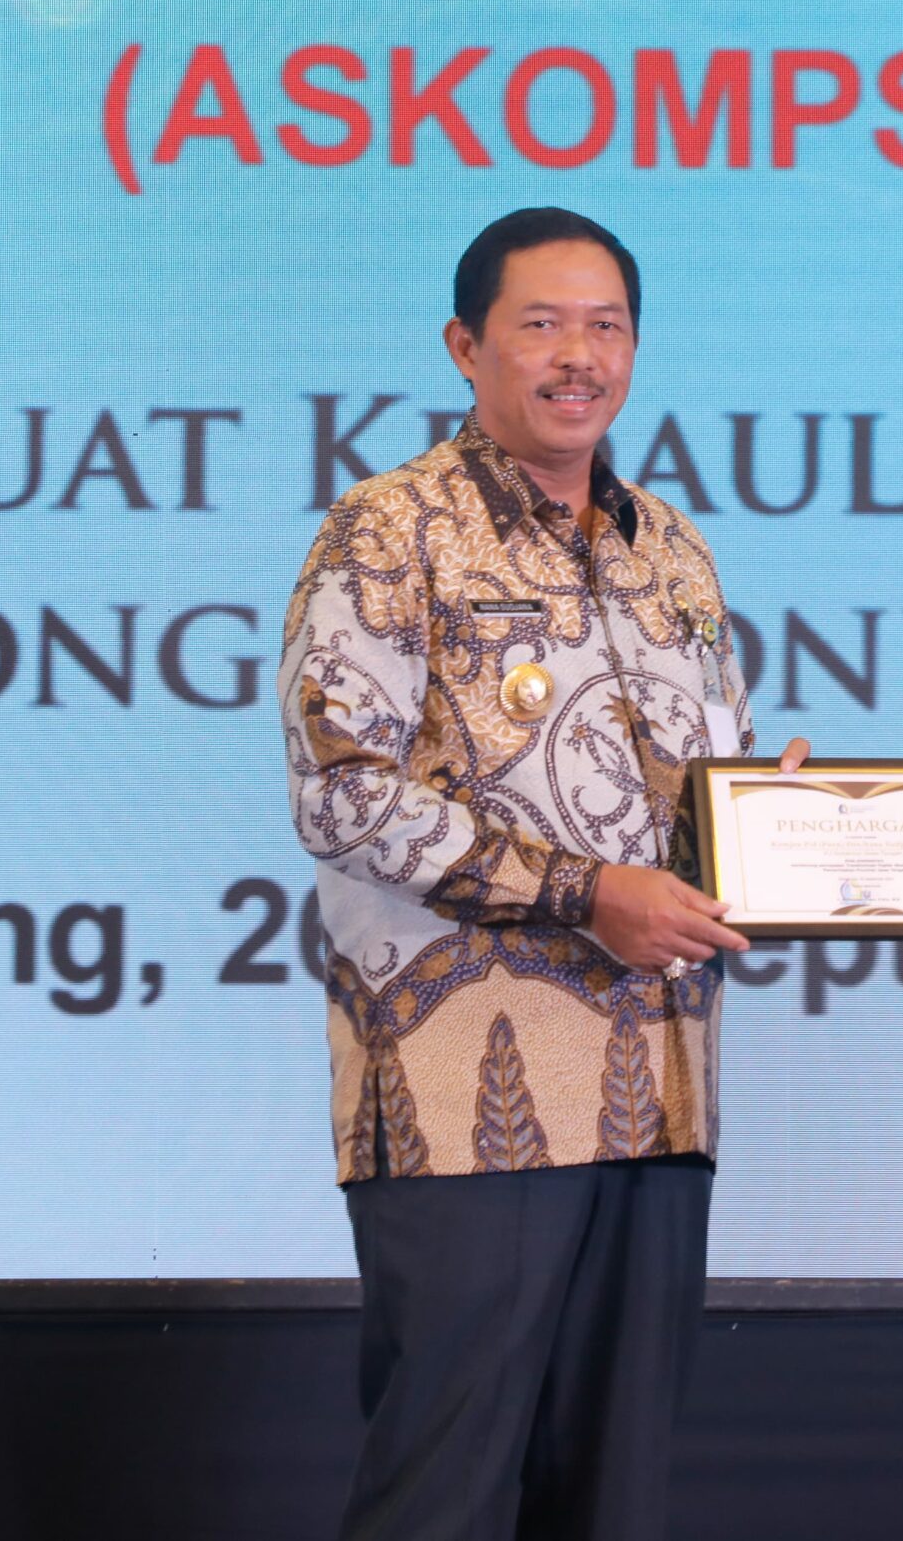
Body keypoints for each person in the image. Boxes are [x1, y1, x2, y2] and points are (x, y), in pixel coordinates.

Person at [277, 206, 804, 1541]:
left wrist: (774, 826)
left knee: (614, 1500)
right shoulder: (387, 529)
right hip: (470, 1104)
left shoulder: (670, 546)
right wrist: (586, 893)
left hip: (658, 1093)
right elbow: (342, 794)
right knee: (440, 1495)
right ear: (466, 346)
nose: (582, 356)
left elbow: (692, 802)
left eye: (607, 325)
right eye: (543, 324)